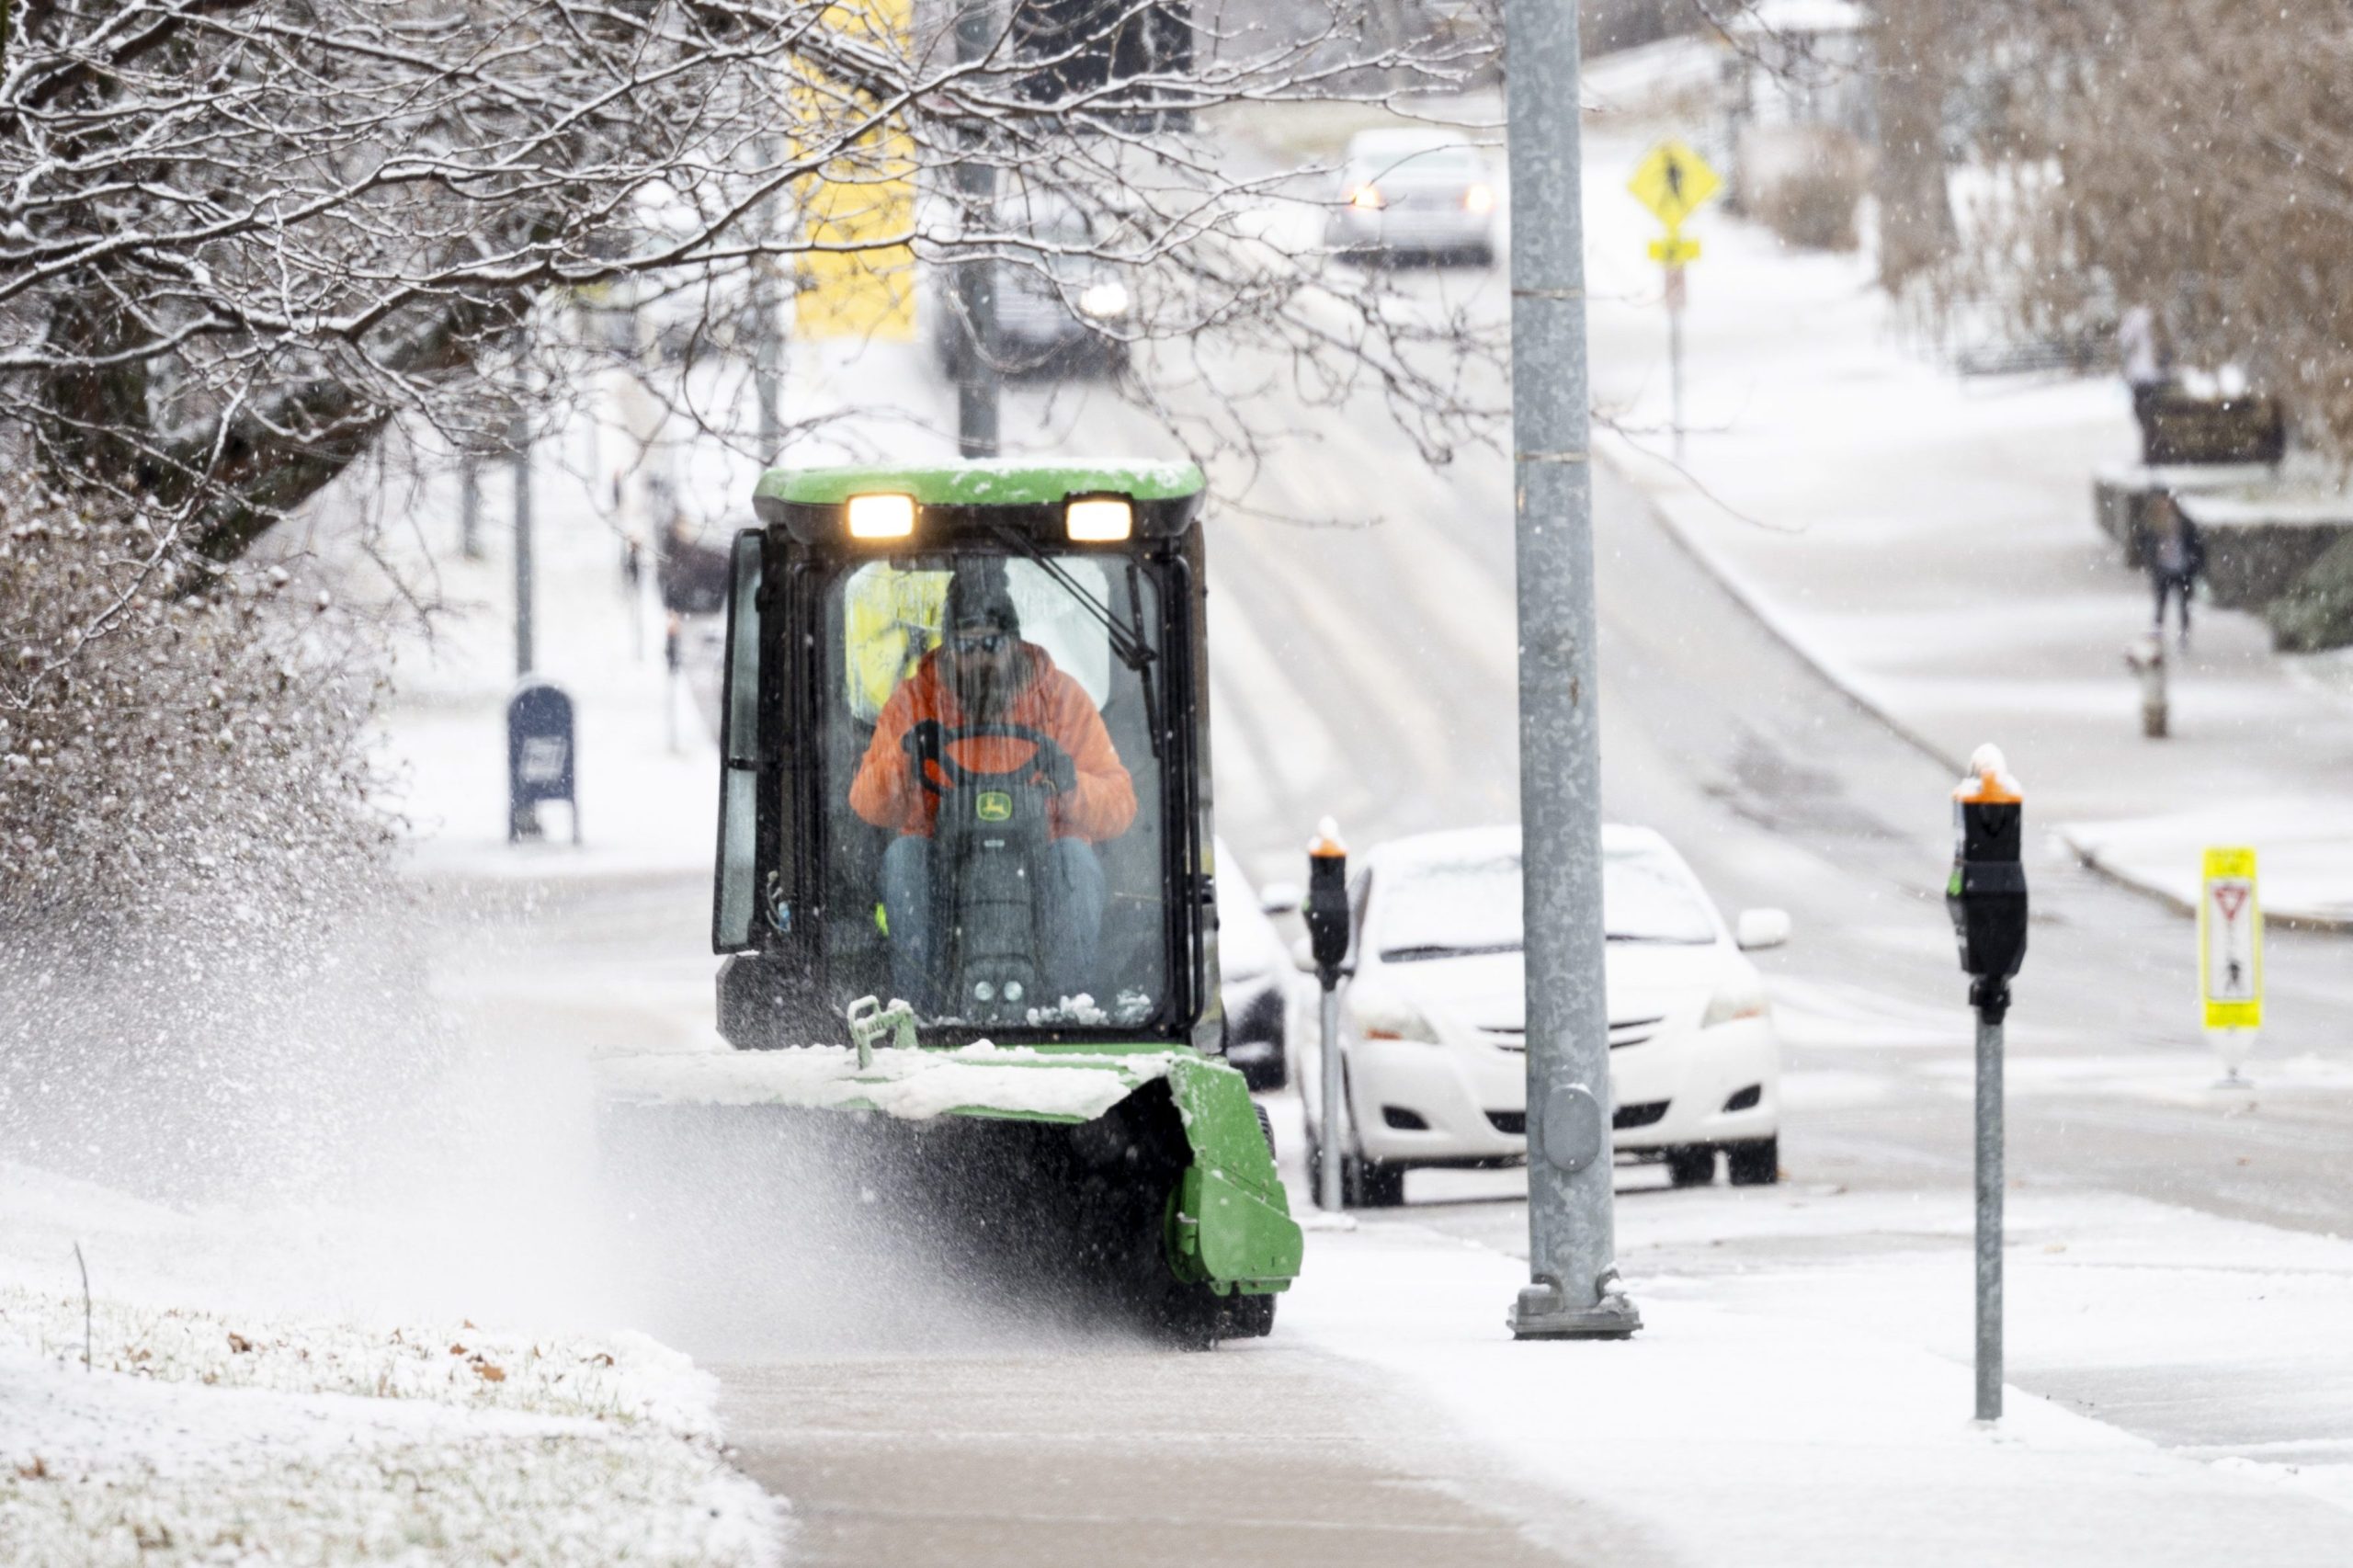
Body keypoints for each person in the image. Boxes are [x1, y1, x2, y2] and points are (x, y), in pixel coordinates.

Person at [850, 569, 1136, 1011]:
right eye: (967, 645)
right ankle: (919, 1009)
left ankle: (1069, 1008)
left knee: (1076, 860)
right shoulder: (913, 701)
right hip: (941, 866)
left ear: (1014, 641)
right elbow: (867, 801)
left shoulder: (1061, 700)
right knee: (904, 859)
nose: (980, 658)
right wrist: (905, 758)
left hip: (1045, 866)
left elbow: (1120, 805)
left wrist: (1071, 786)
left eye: (992, 644)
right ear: (948, 644)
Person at [2144, 488, 2205, 646]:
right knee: (2161, 603)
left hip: (2183, 568)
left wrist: (2195, 564)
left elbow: (2197, 545)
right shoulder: (2154, 524)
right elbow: (2147, 544)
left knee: (2183, 604)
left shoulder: (2184, 523)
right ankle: (2158, 632)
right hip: (2164, 568)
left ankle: (2183, 634)